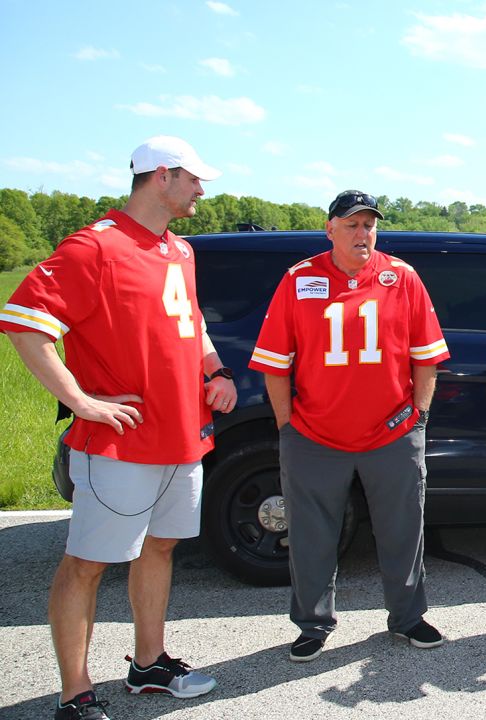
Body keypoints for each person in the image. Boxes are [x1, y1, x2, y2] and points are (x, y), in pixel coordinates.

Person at [0, 136, 232, 720]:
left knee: (160, 548)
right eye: (194, 178)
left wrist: (216, 369)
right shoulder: (93, 247)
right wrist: (80, 400)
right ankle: (74, 694)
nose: (202, 188)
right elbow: (24, 323)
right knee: (87, 562)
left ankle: (148, 664)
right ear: (161, 175)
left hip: (183, 435)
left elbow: (191, 318)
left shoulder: (180, 249)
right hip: (120, 444)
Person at [248, 190, 450, 662]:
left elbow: (427, 357)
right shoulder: (299, 279)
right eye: (352, 224)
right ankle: (312, 624)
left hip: (392, 435)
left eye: (369, 225)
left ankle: (407, 617)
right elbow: (275, 364)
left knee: (404, 529)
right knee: (310, 535)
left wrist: (418, 418)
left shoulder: (401, 277)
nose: (362, 233)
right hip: (315, 436)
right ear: (330, 228)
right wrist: (287, 428)